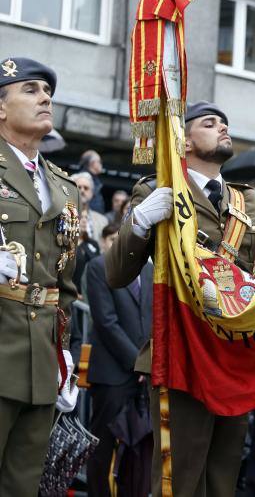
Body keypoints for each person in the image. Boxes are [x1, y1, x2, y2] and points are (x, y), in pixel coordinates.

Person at [105, 101, 255, 497]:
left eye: (226, 123)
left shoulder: (246, 201)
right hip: (180, 351)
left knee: (222, 479)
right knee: (179, 479)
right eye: (209, 123)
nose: (223, 128)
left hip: (232, 354)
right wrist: (141, 221)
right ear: (184, 139)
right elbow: (116, 273)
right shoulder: (158, 188)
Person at [0, 57, 80, 493]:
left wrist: (64, 355)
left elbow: (63, 283)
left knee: (23, 485)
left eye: (47, 92)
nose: (45, 97)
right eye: (29, 90)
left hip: (40, 360)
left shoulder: (63, 188)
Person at [85, 247, 153, 497]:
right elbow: (106, 322)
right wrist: (138, 362)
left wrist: (148, 363)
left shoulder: (149, 269)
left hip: (144, 377)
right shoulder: (98, 267)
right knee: (102, 448)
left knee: (139, 449)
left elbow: (153, 318)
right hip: (111, 376)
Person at [72, 171, 109, 241]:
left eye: (86, 188)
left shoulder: (103, 221)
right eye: (79, 187)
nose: (82, 190)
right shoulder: (63, 216)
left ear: (92, 193)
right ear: (72, 190)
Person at [79, 149, 105, 213]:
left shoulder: (93, 178)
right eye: (100, 161)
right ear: (92, 163)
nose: (101, 164)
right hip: (86, 217)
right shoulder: (82, 179)